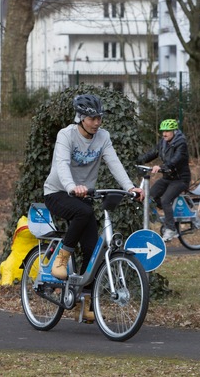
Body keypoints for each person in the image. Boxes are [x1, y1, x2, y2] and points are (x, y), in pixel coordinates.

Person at [43, 93, 144, 323]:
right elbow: (62, 164)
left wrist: (130, 187)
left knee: (92, 250)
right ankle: (60, 259)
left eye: (99, 118)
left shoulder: (103, 137)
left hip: (83, 195)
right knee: (84, 212)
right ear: (80, 118)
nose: (97, 122)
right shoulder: (66, 135)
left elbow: (114, 162)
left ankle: (87, 303)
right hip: (58, 192)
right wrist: (71, 187)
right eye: (92, 118)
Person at [137, 119, 191, 242]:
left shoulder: (181, 144)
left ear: (174, 131)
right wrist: (138, 161)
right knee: (150, 197)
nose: (164, 134)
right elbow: (152, 153)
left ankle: (171, 229)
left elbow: (175, 160)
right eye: (163, 131)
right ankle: (168, 216)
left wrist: (161, 167)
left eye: (167, 131)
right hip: (167, 178)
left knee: (165, 199)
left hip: (180, 179)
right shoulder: (163, 143)